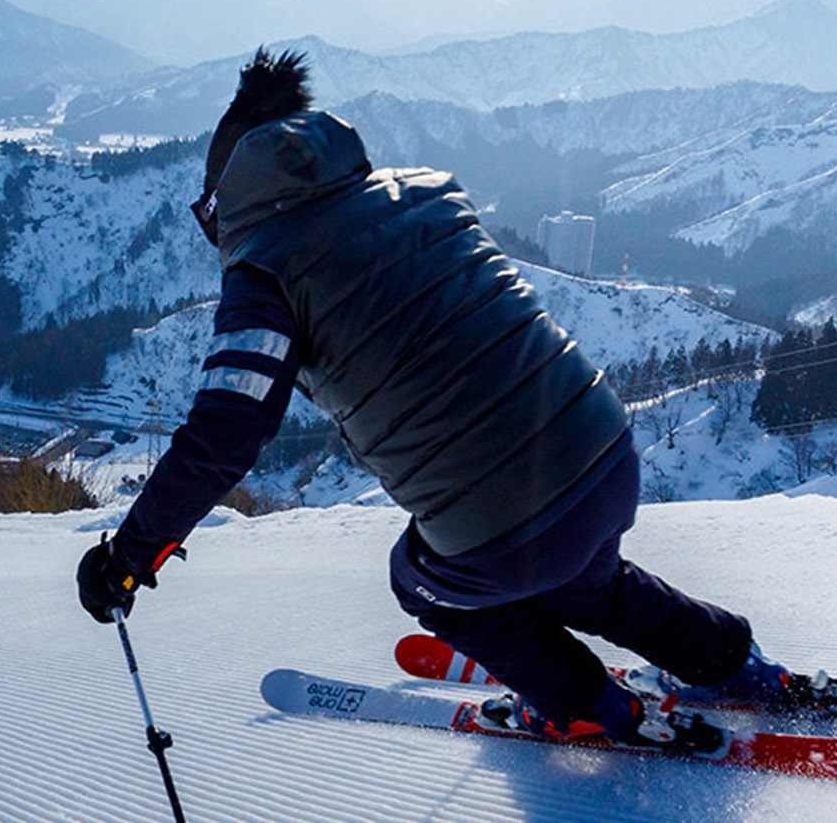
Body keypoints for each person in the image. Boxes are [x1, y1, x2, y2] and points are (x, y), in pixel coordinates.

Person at [78, 47, 787, 748]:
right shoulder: (426, 190)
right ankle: (733, 663)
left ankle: (580, 703)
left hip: (504, 525)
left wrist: (128, 559)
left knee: (420, 581)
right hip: (604, 453)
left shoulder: (265, 271)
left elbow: (228, 431)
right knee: (581, 580)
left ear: (229, 199)